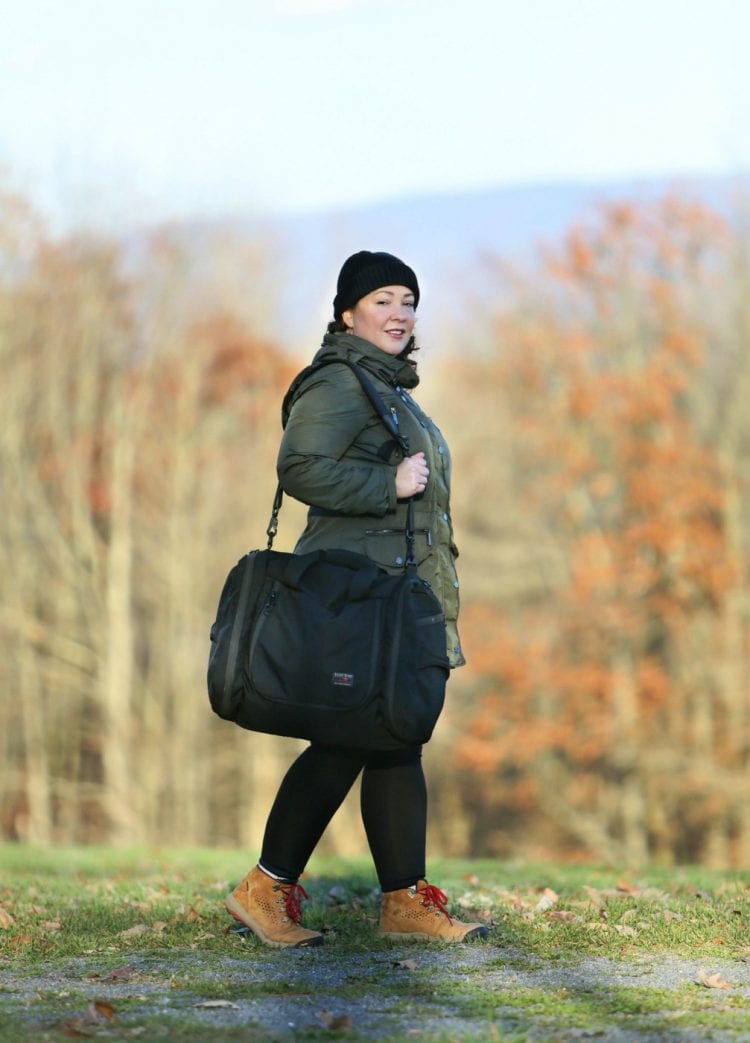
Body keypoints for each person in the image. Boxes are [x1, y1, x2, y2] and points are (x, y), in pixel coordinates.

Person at [226, 251, 486, 948]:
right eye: (382, 300)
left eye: (408, 300)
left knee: (396, 734)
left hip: (398, 598)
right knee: (350, 736)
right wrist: (387, 484)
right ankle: (264, 885)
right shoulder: (340, 381)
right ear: (347, 313)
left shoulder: (392, 388)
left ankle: (403, 900)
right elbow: (299, 465)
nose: (399, 313)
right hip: (353, 597)